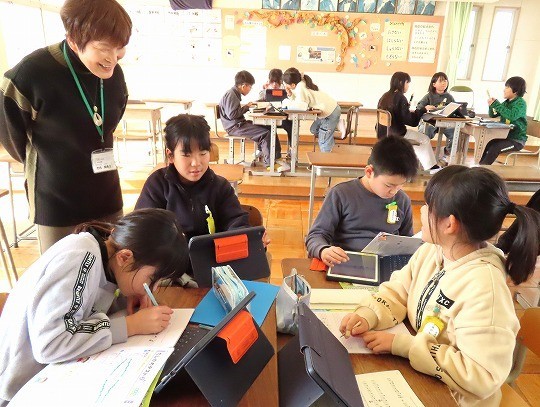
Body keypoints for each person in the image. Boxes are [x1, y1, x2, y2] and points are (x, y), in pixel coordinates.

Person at [340, 165, 540, 406]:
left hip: (454, 398)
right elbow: (400, 290)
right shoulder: (432, 251)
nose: (421, 210)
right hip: (424, 377)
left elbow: (482, 375)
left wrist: (404, 345)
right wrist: (370, 314)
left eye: (428, 206)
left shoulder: (485, 287)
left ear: (449, 224)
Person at [0, 208, 189, 405]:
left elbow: (88, 308)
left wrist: (126, 298)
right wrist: (131, 325)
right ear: (125, 257)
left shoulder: (108, 258)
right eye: (151, 279)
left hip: (54, 376)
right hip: (20, 389)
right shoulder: (80, 257)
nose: (153, 289)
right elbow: (52, 343)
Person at [0, 0, 132, 253]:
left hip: (106, 193)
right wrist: (50, 161)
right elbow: (10, 132)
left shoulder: (115, 74)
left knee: (112, 266)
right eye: (103, 48)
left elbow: (110, 123)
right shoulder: (32, 73)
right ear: (73, 41)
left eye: (120, 48)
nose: (113, 58)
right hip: (56, 199)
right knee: (61, 271)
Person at [135, 114, 251, 243]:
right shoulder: (157, 184)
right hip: (170, 255)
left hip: (210, 254)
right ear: (171, 155)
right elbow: (142, 228)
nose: (196, 163)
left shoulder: (220, 186)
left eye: (203, 153)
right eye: (186, 155)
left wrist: (246, 235)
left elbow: (235, 221)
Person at [306, 136, 418, 266]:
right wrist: (323, 250)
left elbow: (407, 241)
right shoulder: (341, 194)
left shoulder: (402, 200)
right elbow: (316, 235)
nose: (394, 192)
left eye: (401, 185)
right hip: (347, 263)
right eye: (389, 185)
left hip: (386, 265)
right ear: (369, 172)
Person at [219, 70, 289, 172]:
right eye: (250, 87)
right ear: (244, 86)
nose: (250, 89)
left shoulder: (233, 93)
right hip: (235, 127)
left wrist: (247, 107)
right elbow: (232, 115)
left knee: (269, 127)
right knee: (265, 134)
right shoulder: (231, 95)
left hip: (238, 124)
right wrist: (246, 107)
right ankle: (270, 164)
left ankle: (276, 156)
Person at [377, 71, 439, 170]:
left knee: (418, 141)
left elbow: (397, 114)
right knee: (425, 139)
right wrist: (423, 109)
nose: (408, 86)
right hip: (397, 134)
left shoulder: (385, 96)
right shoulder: (400, 97)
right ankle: (432, 168)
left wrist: (406, 109)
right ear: (401, 83)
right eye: (407, 83)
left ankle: (425, 165)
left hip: (383, 133)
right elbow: (412, 122)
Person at [282, 67, 341, 152]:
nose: (285, 86)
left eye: (286, 84)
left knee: (323, 141)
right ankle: (331, 131)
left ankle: (327, 153)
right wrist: (290, 94)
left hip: (330, 113)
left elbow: (301, 106)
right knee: (314, 129)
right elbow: (299, 100)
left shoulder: (300, 88)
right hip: (329, 111)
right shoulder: (301, 83)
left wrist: (288, 102)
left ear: (293, 85)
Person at [479, 76, 528, 165]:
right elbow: (493, 115)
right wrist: (491, 106)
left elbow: (511, 116)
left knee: (495, 148)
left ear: (515, 90)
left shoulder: (521, 103)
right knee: (486, 143)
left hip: (516, 141)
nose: (504, 90)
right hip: (504, 137)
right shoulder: (506, 102)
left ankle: (482, 168)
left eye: (507, 87)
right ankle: (480, 166)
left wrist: (496, 104)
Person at [417, 72, 456, 158]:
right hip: (430, 122)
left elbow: (455, 109)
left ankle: (446, 151)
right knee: (424, 132)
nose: (443, 83)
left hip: (445, 123)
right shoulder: (429, 96)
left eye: (445, 81)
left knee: (457, 133)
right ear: (434, 84)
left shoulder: (449, 97)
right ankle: (422, 155)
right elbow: (419, 107)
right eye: (441, 81)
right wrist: (426, 107)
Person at [258, 68, 293, 153]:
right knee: (262, 127)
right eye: (272, 82)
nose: (274, 84)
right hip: (269, 117)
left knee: (291, 127)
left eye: (277, 82)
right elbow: (259, 102)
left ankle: (292, 148)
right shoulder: (265, 88)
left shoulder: (286, 88)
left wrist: (290, 94)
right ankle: (262, 150)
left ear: (281, 81)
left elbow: (292, 102)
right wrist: (264, 91)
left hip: (283, 118)